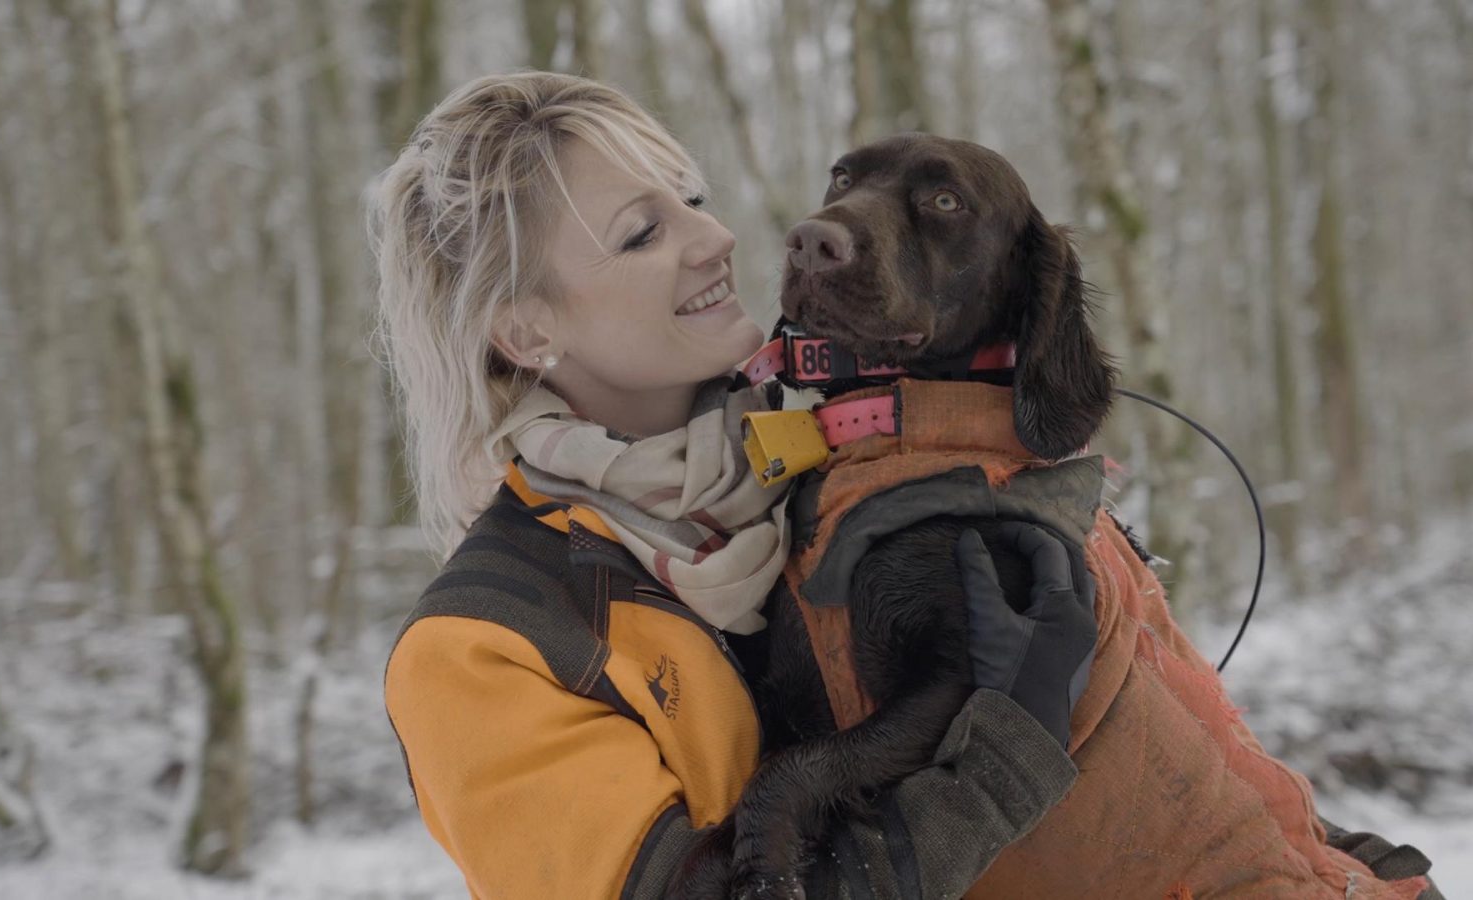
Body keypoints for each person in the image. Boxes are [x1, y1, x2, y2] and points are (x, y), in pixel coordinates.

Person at [367, 71, 1097, 899]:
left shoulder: (845, 466)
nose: (716, 237)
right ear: (527, 329)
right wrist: (1006, 758)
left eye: (693, 197)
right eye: (643, 233)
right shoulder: (484, 648)